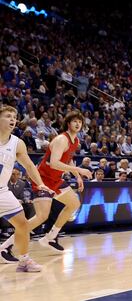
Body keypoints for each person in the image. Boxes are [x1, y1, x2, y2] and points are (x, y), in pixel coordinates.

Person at [0, 110, 91, 257]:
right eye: (75, 121)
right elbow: (54, 163)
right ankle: (5, 246)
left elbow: (68, 159)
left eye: (80, 121)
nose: (78, 124)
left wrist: (78, 176)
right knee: (41, 217)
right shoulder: (62, 139)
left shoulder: (76, 141)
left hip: (56, 180)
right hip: (43, 179)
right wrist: (78, 169)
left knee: (74, 204)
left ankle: (51, 236)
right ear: (68, 123)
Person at [0, 105, 54, 271]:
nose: (12, 119)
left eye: (14, 117)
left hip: (1, 191)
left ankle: (24, 261)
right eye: (8, 116)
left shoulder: (17, 143)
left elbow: (30, 166)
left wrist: (41, 184)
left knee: (22, 224)